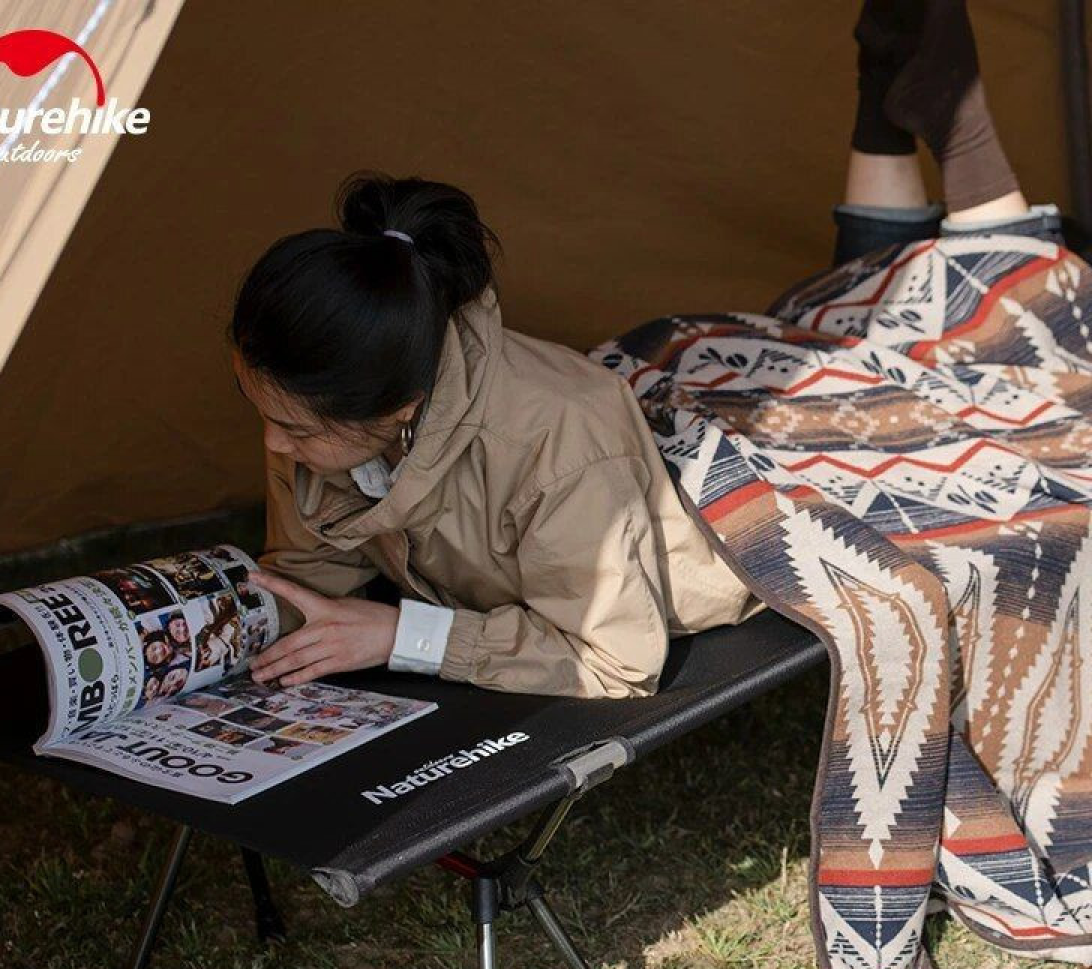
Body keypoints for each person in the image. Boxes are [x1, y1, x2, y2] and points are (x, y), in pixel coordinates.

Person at [233, 0, 1066, 699]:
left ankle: (961, 130)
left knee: (1000, 374)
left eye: (297, 429)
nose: (274, 442)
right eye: (266, 413)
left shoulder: (550, 445)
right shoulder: (325, 403)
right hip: (654, 407)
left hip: (739, 479)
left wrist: (402, 634)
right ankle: (888, 87)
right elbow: (306, 572)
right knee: (849, 326)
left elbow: (616, 657)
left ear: (403, 405)